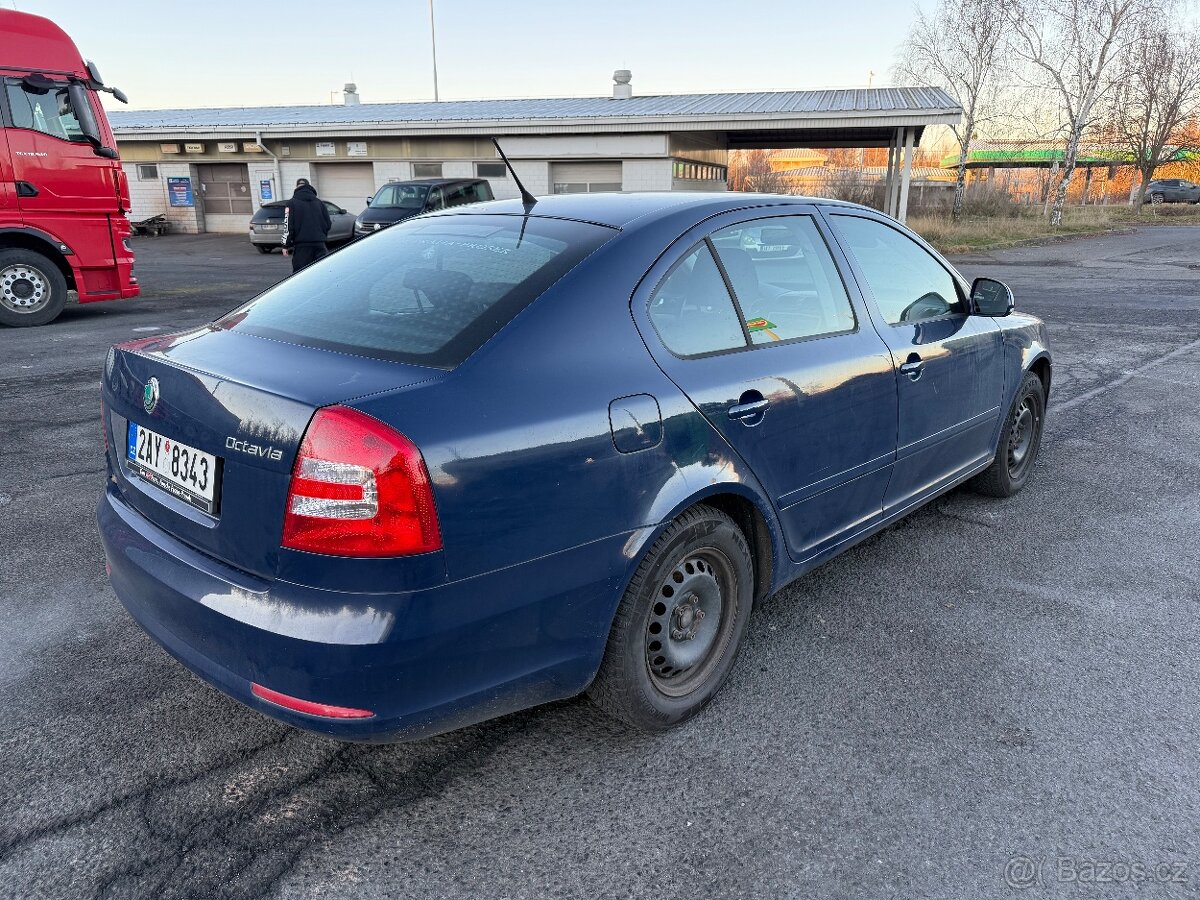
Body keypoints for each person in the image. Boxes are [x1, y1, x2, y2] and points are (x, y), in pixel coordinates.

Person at [281, 178, 332, 273]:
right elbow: (328, 224)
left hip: (302, 248)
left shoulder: (291, 203)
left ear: (296, 188)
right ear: (309, 187)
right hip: (320, 246)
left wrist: (285, 245)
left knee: (300, 276)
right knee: (321, 274)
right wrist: (320, 235)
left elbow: (288, 226)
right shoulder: (320, 203)